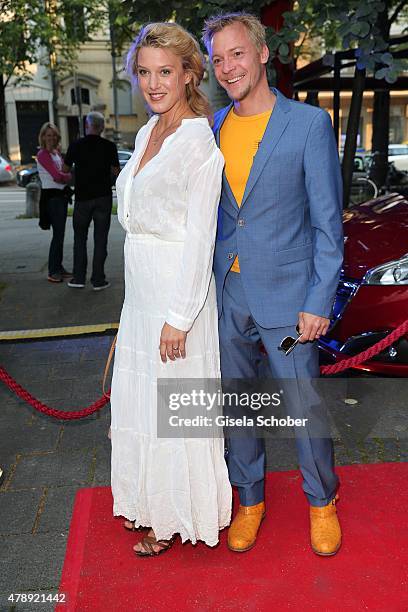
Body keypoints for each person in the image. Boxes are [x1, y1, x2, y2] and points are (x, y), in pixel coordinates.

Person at [202, 12, 344, 555]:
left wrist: (318, 299)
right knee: (237, 406)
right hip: (227, 292)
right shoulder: (210, 128)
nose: (227, 67)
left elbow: (328, 223)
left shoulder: (307, 125)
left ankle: (321, 501)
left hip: (289, 298)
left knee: (303, 404)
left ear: (262, 54)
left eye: (237, 53)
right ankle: (250, 499)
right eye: (218, 59)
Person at [110, 22, 231, 556]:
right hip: (141, 291)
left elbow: (201, 238)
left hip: (177, 294)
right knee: (142, 405)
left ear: (189, 74)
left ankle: (176, 516)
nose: (153, 83)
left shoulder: (198, 141)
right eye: (144, 72)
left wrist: (180, 317)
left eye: (165, 71)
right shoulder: (144, 134)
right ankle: (150, 504)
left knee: (172, 407)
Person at [63, 112, 120, 291]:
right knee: (100, 239)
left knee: (80, 238)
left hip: (82, 198)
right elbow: (117, 171)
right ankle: (98, 279)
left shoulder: (76, 145)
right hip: (103, 197)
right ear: (102, 127)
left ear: (86, 126)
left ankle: (79, 278)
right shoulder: (109, 146)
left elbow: (64, 169)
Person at [37, 123, 72, 283]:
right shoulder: (43, 154)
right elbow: (58, 176)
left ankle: (58, 267)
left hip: (60, 197)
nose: (51, 138)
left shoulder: (56, 153)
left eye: (53, 135)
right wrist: (66, 177)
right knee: (57, 236)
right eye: (48, 135)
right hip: (52, 199)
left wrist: (64, 175)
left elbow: (64, 173)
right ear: (43, 137)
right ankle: (53, 270)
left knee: (60, 235)